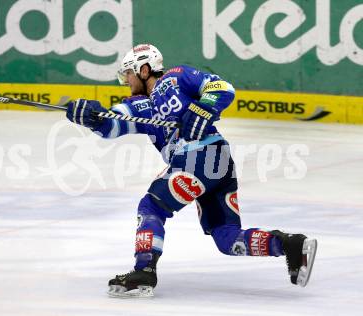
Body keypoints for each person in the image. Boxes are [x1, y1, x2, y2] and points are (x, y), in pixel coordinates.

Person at [66, 44, 317, 298]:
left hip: (200, 156)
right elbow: (113, 124)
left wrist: (202, 108)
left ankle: (144, 270)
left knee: (152, 206)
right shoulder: (141, 106)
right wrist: (91, 116)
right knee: (227, 239)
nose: (126, 82)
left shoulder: (175, 77)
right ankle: (290, 244)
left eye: (128, 74)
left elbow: (221, 88)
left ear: (144, 70)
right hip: (218, 164)